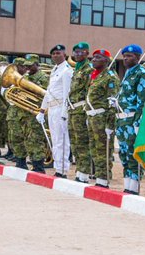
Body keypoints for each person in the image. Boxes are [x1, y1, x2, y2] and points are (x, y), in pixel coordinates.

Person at [111, 44, 145, 194]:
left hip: (131, 120)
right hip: (122, 120)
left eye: (130, 56)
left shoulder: (141, 74)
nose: (126, 59)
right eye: (125, 56)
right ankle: (127, 185)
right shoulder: (128, 73)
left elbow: (143, 100)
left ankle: (134, 187)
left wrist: (138, 122)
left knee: (132, 154)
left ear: (138, 57)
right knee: (123, 153)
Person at [84, 49, 118, 187]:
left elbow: (112, 102)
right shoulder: (95, 76)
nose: (93, 60)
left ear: (106, 60)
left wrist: (110, 125)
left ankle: (104, 178)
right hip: (92, 117)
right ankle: (98, 176)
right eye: (93, 57)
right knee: (94, 148)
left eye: (98, 57)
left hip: (102, 117)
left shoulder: (110, 77)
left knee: (103, 149)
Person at [40, 44, 73, 178]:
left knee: (62, 140)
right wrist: (42, 110)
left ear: (64, 55)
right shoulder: (54, 70)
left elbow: (67, 93)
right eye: (53, 54)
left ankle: (63, 169)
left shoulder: (67, 70)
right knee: (54, 139)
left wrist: (65, 112)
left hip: (60, 108)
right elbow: (48, 92)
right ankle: (57, 167)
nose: (55, 56)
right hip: (52, 108)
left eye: (58, 53)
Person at [67, 42, 93, 183]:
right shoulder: (77, 69)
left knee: (82, 143)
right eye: (76, 52)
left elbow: (89, 91)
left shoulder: (88, 69)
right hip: (73, 110)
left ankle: (84, 174)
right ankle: (79, 171)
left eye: (81, 52)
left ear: (87, 53)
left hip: (81, 110)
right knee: (75, 143)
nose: (78, 54)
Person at [23, 54, 50, 173]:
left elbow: (45, 95)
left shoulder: (43, 77)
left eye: (31, 65)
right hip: (27, 113)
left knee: (37, 140)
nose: (28, 68)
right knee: (29, 140)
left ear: (37, 65)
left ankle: (39, 166)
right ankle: (34, 163)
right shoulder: (26, 77)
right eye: (27, 66)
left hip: (38, 112)